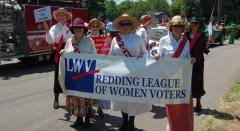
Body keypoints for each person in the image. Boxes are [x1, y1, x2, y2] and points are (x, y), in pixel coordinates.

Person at [109, 14, 152, 131]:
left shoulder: (137, 38)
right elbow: (110, 56)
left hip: (135, 72)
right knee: (122, 97)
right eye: (123, 24)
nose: (125, 26)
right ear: (119, 26)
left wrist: (141, 61)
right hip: (120, 74)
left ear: (131, 26)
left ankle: (131, 122)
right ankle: (124, 121)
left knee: (132, 98)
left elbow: (145, 53)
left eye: (128, 24)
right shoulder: (114, 39)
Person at [156, 15, 196, 131]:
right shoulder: (163, 40)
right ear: (171, 27)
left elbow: (188, 57)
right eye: (175, 26)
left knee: (184, 106)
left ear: (183, 28)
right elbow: (158, 55)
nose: (178, 28)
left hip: (183, 80)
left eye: (180, 26)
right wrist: (157, 56)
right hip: (169, 79)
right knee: (172, 106)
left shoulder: (186, 41)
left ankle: (185, 127)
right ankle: (173, 127)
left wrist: (191, 60)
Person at [61, 18, 97, 128]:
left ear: (84, 29)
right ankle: (79, 118)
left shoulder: (89, 41)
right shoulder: (69, 42)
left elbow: (95, 57)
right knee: (76, 98)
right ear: (73, 29)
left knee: (87, 98)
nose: (78, 29)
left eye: (80, 27)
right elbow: (66, 55)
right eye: (76, 27)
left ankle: (87, 119)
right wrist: (63, 52)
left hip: (86, 75)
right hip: (74, 76)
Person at [43, 8, 73, 109]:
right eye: (59, 15)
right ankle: (56, 98)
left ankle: (68, 100)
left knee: (67, 76)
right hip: (57, 53)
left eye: (63, 15)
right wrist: (47, 31)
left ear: (66, 17)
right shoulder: (54, 28)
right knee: (57, 75)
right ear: (57, 17)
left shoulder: (68, 28)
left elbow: (71, 40)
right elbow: (50, 40)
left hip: (67, 52)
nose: (61, 16)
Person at [185, 17, 211, 112]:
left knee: (198, 81)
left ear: (198, 25)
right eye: (192, 23)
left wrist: (208, 43)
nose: (194, 25)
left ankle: (198, 103)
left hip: (199, 61)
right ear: (190, 24)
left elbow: (204, 48)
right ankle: (189, 103)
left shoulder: (202, 34)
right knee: (188, 82)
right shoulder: (186, 34)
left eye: (195, 23)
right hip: (188, 62)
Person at [87, 18, 108, 117]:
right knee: (90, 88)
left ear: (99, 27)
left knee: (99, 88)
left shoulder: (104, 38)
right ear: (90, 28)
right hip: (90, 67)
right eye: (93, 26)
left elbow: (108, 52)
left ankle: (99, 108)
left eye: (97, 26)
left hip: (101, 67)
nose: (95, 28)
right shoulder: (86, 39)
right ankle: (90, 107)